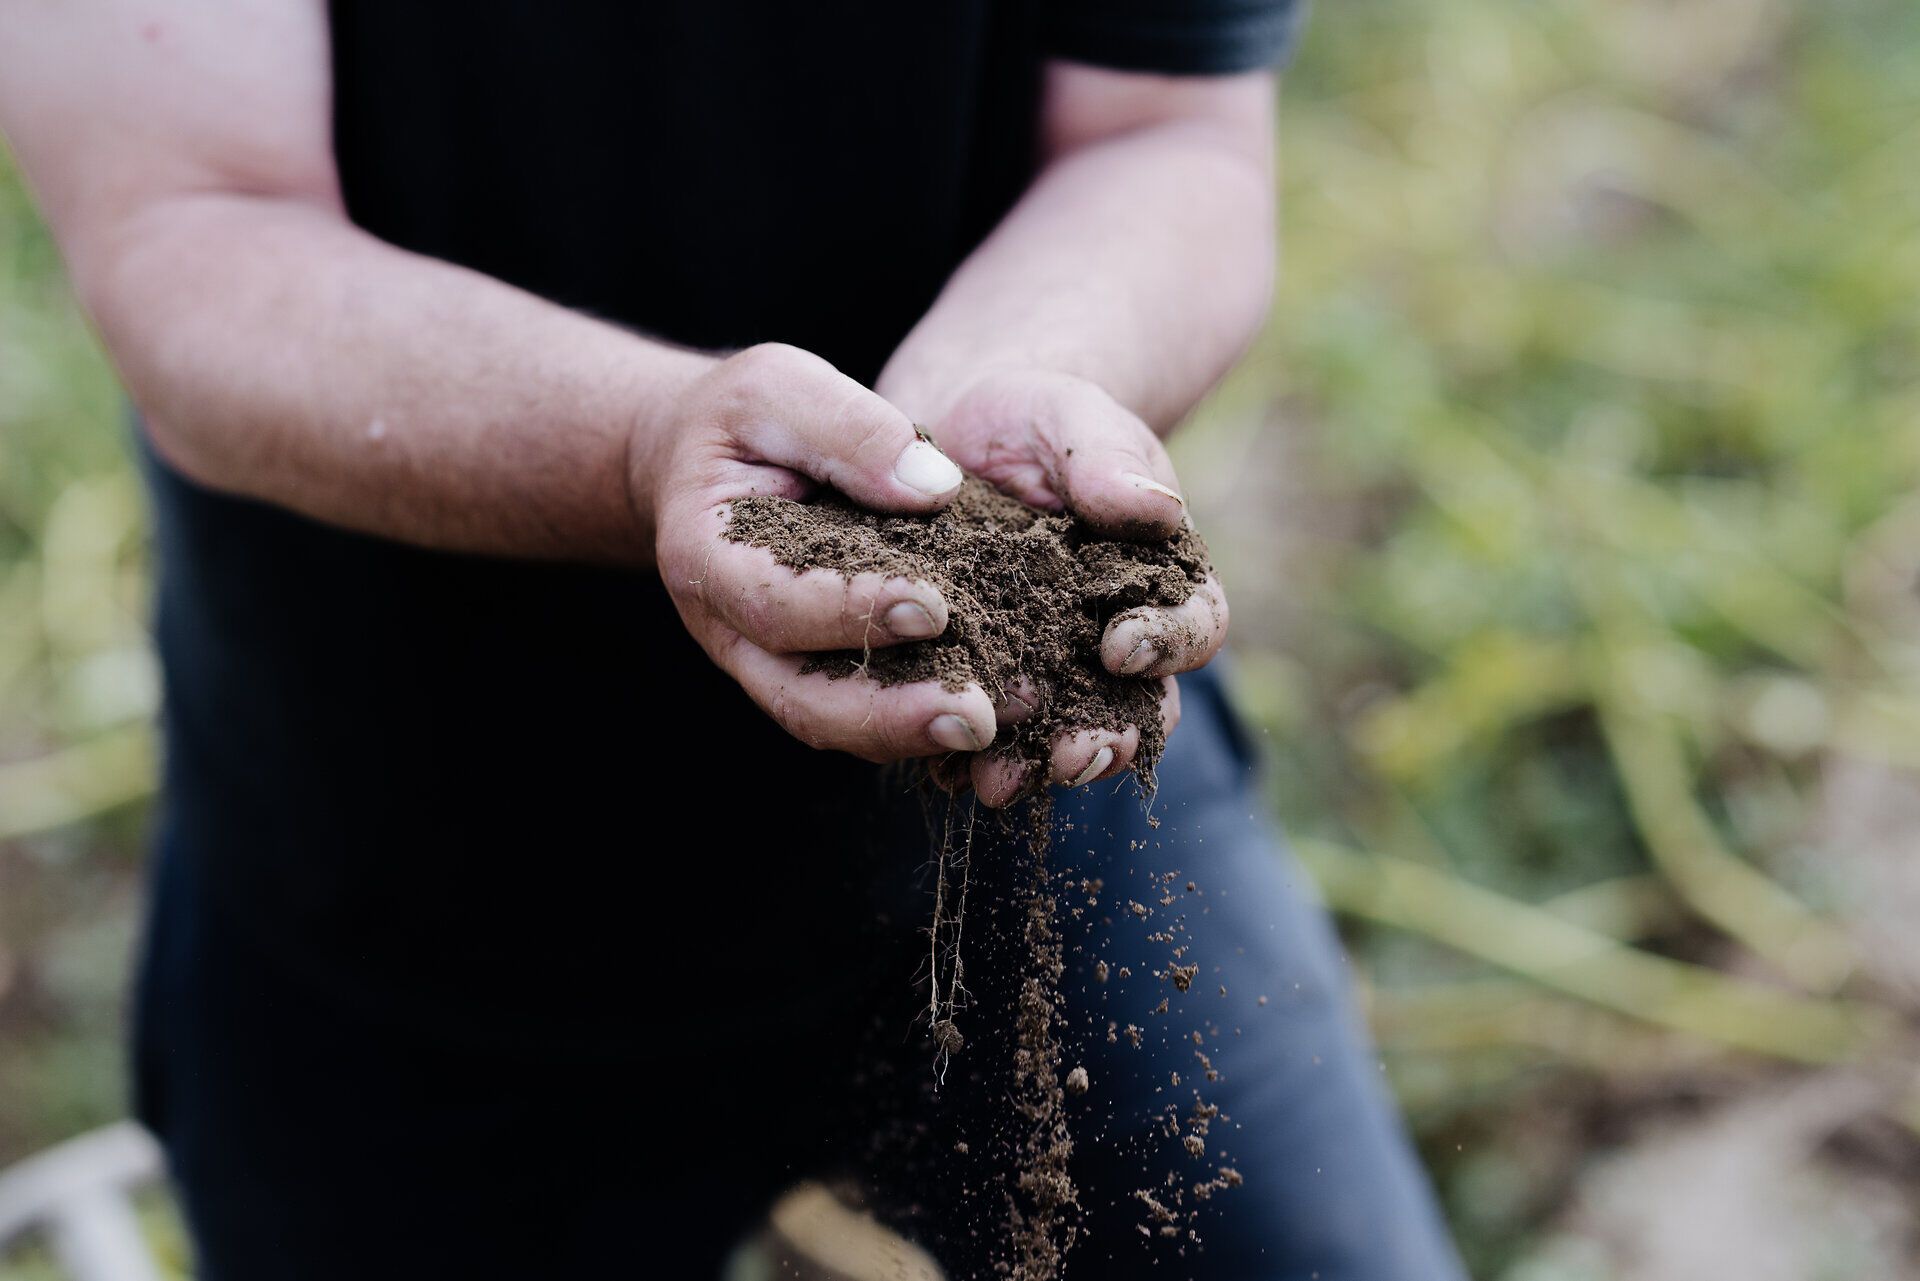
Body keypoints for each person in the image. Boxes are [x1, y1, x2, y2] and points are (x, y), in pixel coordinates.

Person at [0, 1, 1463, 1276]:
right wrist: (649, 443)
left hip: (1027, 793)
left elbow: (1164, 135)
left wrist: (994, 409)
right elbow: (191, 232)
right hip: (416, 887)